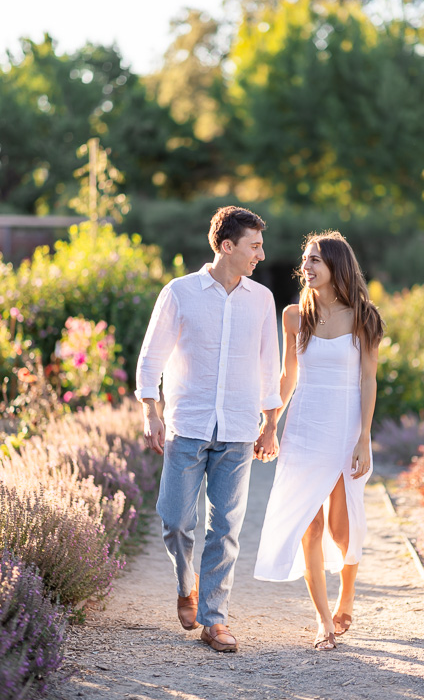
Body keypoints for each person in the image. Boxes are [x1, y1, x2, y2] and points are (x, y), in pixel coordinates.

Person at [136, 206, 281, 653]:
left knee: (226, 529)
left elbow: (268, 364)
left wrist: (270, 422)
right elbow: (151, 357)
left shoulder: (261, 298)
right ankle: (187, 585)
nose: (260, 254)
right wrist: (151, 411)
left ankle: (213, 620)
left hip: (238, 428)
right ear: (227, 246)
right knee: (175, 519)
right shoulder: (179, 293)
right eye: (254, 246)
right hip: (188, 424)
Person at [254, 230, 383, 650]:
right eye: (305, 259)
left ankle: (348, 594)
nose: (306, 267)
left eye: (315, 261)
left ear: (336, 268)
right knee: (309, 524)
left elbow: (368, 379)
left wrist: (364, 437)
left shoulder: (364, 316)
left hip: (346, 430)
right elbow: (288, 376)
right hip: (305, 427)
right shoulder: (294, 316)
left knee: (342, 529)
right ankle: (323, 622)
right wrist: (270, 422)